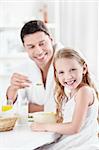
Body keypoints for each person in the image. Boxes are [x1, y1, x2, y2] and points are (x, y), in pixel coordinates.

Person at [31, 48, 99, 150]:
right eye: (61, 72)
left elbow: (74, 128)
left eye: (73, 70)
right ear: (56, 75)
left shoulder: (84, 91)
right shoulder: (73, 93)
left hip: (81, 146)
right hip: (71, 144)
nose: (68, 76)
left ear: (84, 68)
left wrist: (44, 126)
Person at [6, 20, 63, 112]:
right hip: (36, 125)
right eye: (31, 47)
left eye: (42, 43)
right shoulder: (23, 69)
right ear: (25, 48)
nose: (39, 51)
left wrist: (33, 108)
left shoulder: (71, 61)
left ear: (51, 40)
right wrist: (13, 89)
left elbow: (74, 106)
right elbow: (13, 109)